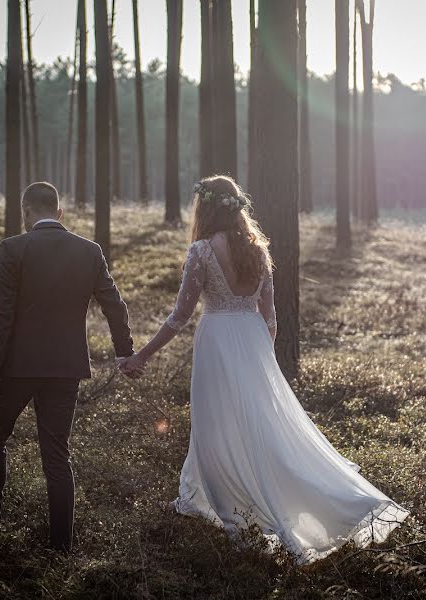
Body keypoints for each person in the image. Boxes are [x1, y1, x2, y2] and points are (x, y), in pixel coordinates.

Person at [120, 175, 408, 564]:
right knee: (260, 424)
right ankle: (238, 498)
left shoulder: (202, 251)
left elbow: (179, 317)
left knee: (214, 424)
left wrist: (142, 355)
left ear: (205, 207)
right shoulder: (259, 251)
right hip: (253, 341)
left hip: (218, 340)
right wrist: (261, 358)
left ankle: (239, 514)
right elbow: (270, 317)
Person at [0, 182, 141, 551]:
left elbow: (1, 316)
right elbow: (115, 305)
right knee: (56, 454)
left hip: (15, 368)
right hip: (66, 368)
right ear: (59, 212)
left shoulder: (13, 249)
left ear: (26, 210)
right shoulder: (89, 251)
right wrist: (122, 351)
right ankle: (60, 547)